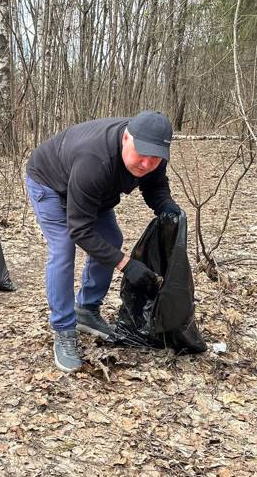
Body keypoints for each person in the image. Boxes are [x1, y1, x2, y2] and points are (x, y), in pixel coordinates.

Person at [25, 111, 182, 373]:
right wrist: (126, 264)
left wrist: (167, 207)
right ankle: (64, 329)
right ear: (126, 138)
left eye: (154, 159)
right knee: (63, 248)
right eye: (141, 154)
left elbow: (155, 186)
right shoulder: (94, 159)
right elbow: (80, 230)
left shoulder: (154, 153)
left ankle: (86, 309)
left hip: (93, 193)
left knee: (110, 238)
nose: (145, 164)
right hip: (50, 182)